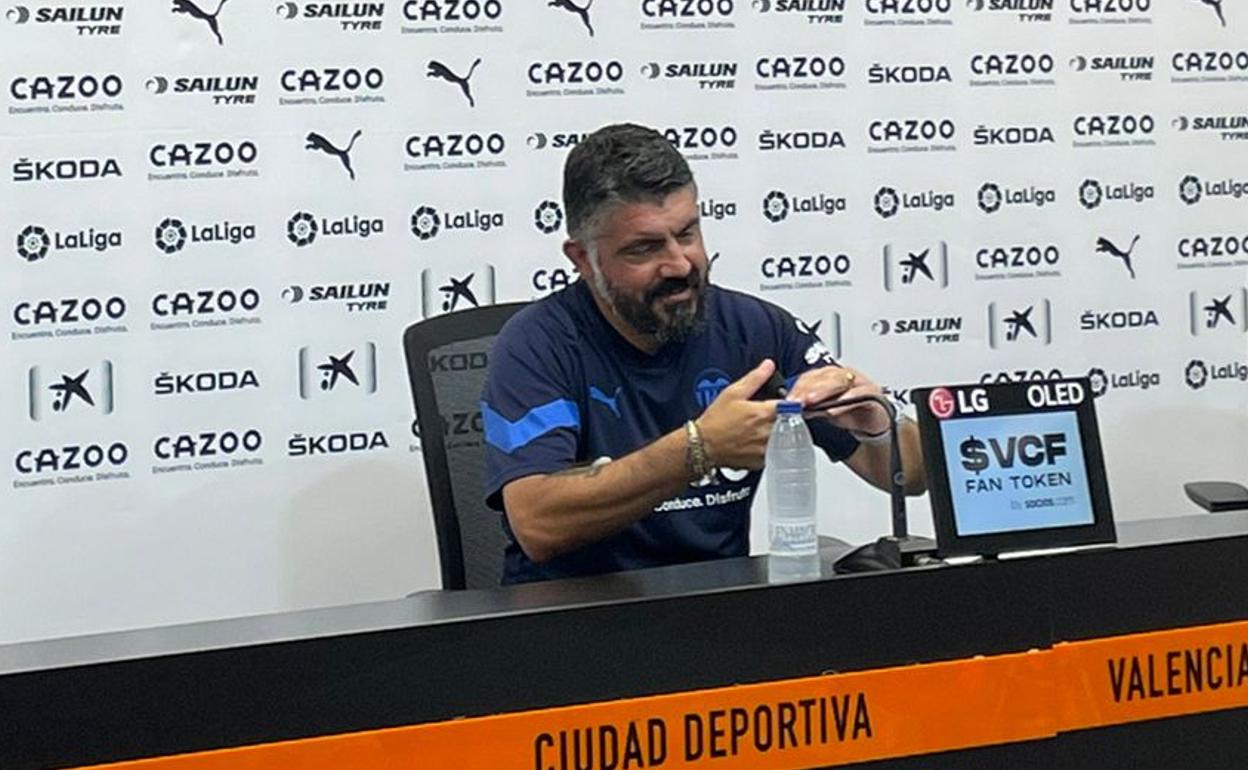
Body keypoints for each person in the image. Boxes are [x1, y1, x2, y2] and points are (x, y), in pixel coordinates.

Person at [481, 123, 926, 583]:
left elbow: (913, 475)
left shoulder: (756, 331)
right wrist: (700, 448)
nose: (679, 263)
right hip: (574, 622)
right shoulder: (537, 345)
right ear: (582, 259)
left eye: (687, 233)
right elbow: (535, 521)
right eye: (644, 248)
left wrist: (876, 427)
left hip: (717, 617)